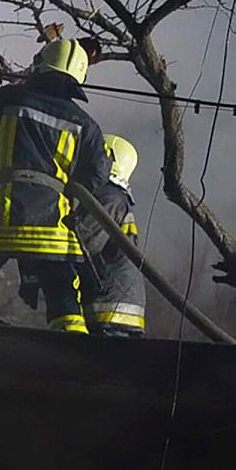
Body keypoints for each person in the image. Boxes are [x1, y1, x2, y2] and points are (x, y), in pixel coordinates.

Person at [0, 39, 112, 333]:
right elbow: (99, 174)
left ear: (39, 64)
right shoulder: (85, 124)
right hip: (49, 230)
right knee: (63, 295)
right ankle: (75, 353)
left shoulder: (2, 100)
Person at [75, 134, 147, 337]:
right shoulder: (113, 197)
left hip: (109, 313)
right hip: (114, 310)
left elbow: (85, 242)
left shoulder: (108, 198)